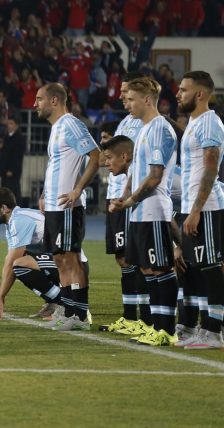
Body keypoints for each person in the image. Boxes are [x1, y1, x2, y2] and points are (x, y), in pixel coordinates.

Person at [110, 76, 180, 346]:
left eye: (131, 99)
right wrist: (125, 197)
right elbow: (137, 172)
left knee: (161, 268)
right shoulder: (144, 129)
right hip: (139, 211)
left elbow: (155, 176)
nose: (127, 103)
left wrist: (130, 200)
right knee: (149, 269)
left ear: (147, 100)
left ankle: (166, 329)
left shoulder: (161, 129)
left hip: (153, 210)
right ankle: (155, 326)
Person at [34, 83, 100, 331]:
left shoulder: (71, 124)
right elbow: (56, 166)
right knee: (59, 259)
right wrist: (43, 194)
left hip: (68, 207)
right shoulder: (57, 128)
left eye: (39, 99)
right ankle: (68, 310)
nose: (34, 104)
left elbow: (95, 155)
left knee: (71, 259)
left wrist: (78, 189)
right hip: (53, 206)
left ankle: (80, 316)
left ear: (54, 100)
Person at [174, 71, 224, 349]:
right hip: (192, 207)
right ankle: (199, 328)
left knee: (211, 268)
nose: (178, 94)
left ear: (200, 94)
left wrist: (196, 211)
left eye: (183, 90)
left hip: (206, 207)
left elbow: (210, 168)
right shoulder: (194, 122)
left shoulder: (209, 123)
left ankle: (214, 332)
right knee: (193, 268)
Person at [0, 187, 87, 322]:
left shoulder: (18, 220)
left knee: (19, 266)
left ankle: (65, 304)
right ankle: (56, 303)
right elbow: (9, 258)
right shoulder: (14, 219)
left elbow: (11, 263)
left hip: (74, 266)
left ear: (4, 208)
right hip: (64, 262)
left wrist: (0, 298)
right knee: (19, 261)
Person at [99, 71, 150, 335]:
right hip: (117, 194)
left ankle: (141, 318)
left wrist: (127, 196)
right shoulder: (126, 122)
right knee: (124, 257)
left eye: (126, 92)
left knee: (136, 258)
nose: (121, 97)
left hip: (130, 198)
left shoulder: (148, 124)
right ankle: (132, 317)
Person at [0, 117, 25, 201]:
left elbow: (17, 156)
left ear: (16, 126)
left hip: (12, 171)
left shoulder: (19, 138)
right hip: (4, 169)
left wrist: (12, 169)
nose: (9, 126)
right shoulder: (6, 137)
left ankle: (17, 210)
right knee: (4, 192)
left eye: (11, 123)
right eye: (8, 124)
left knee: (14, 191)